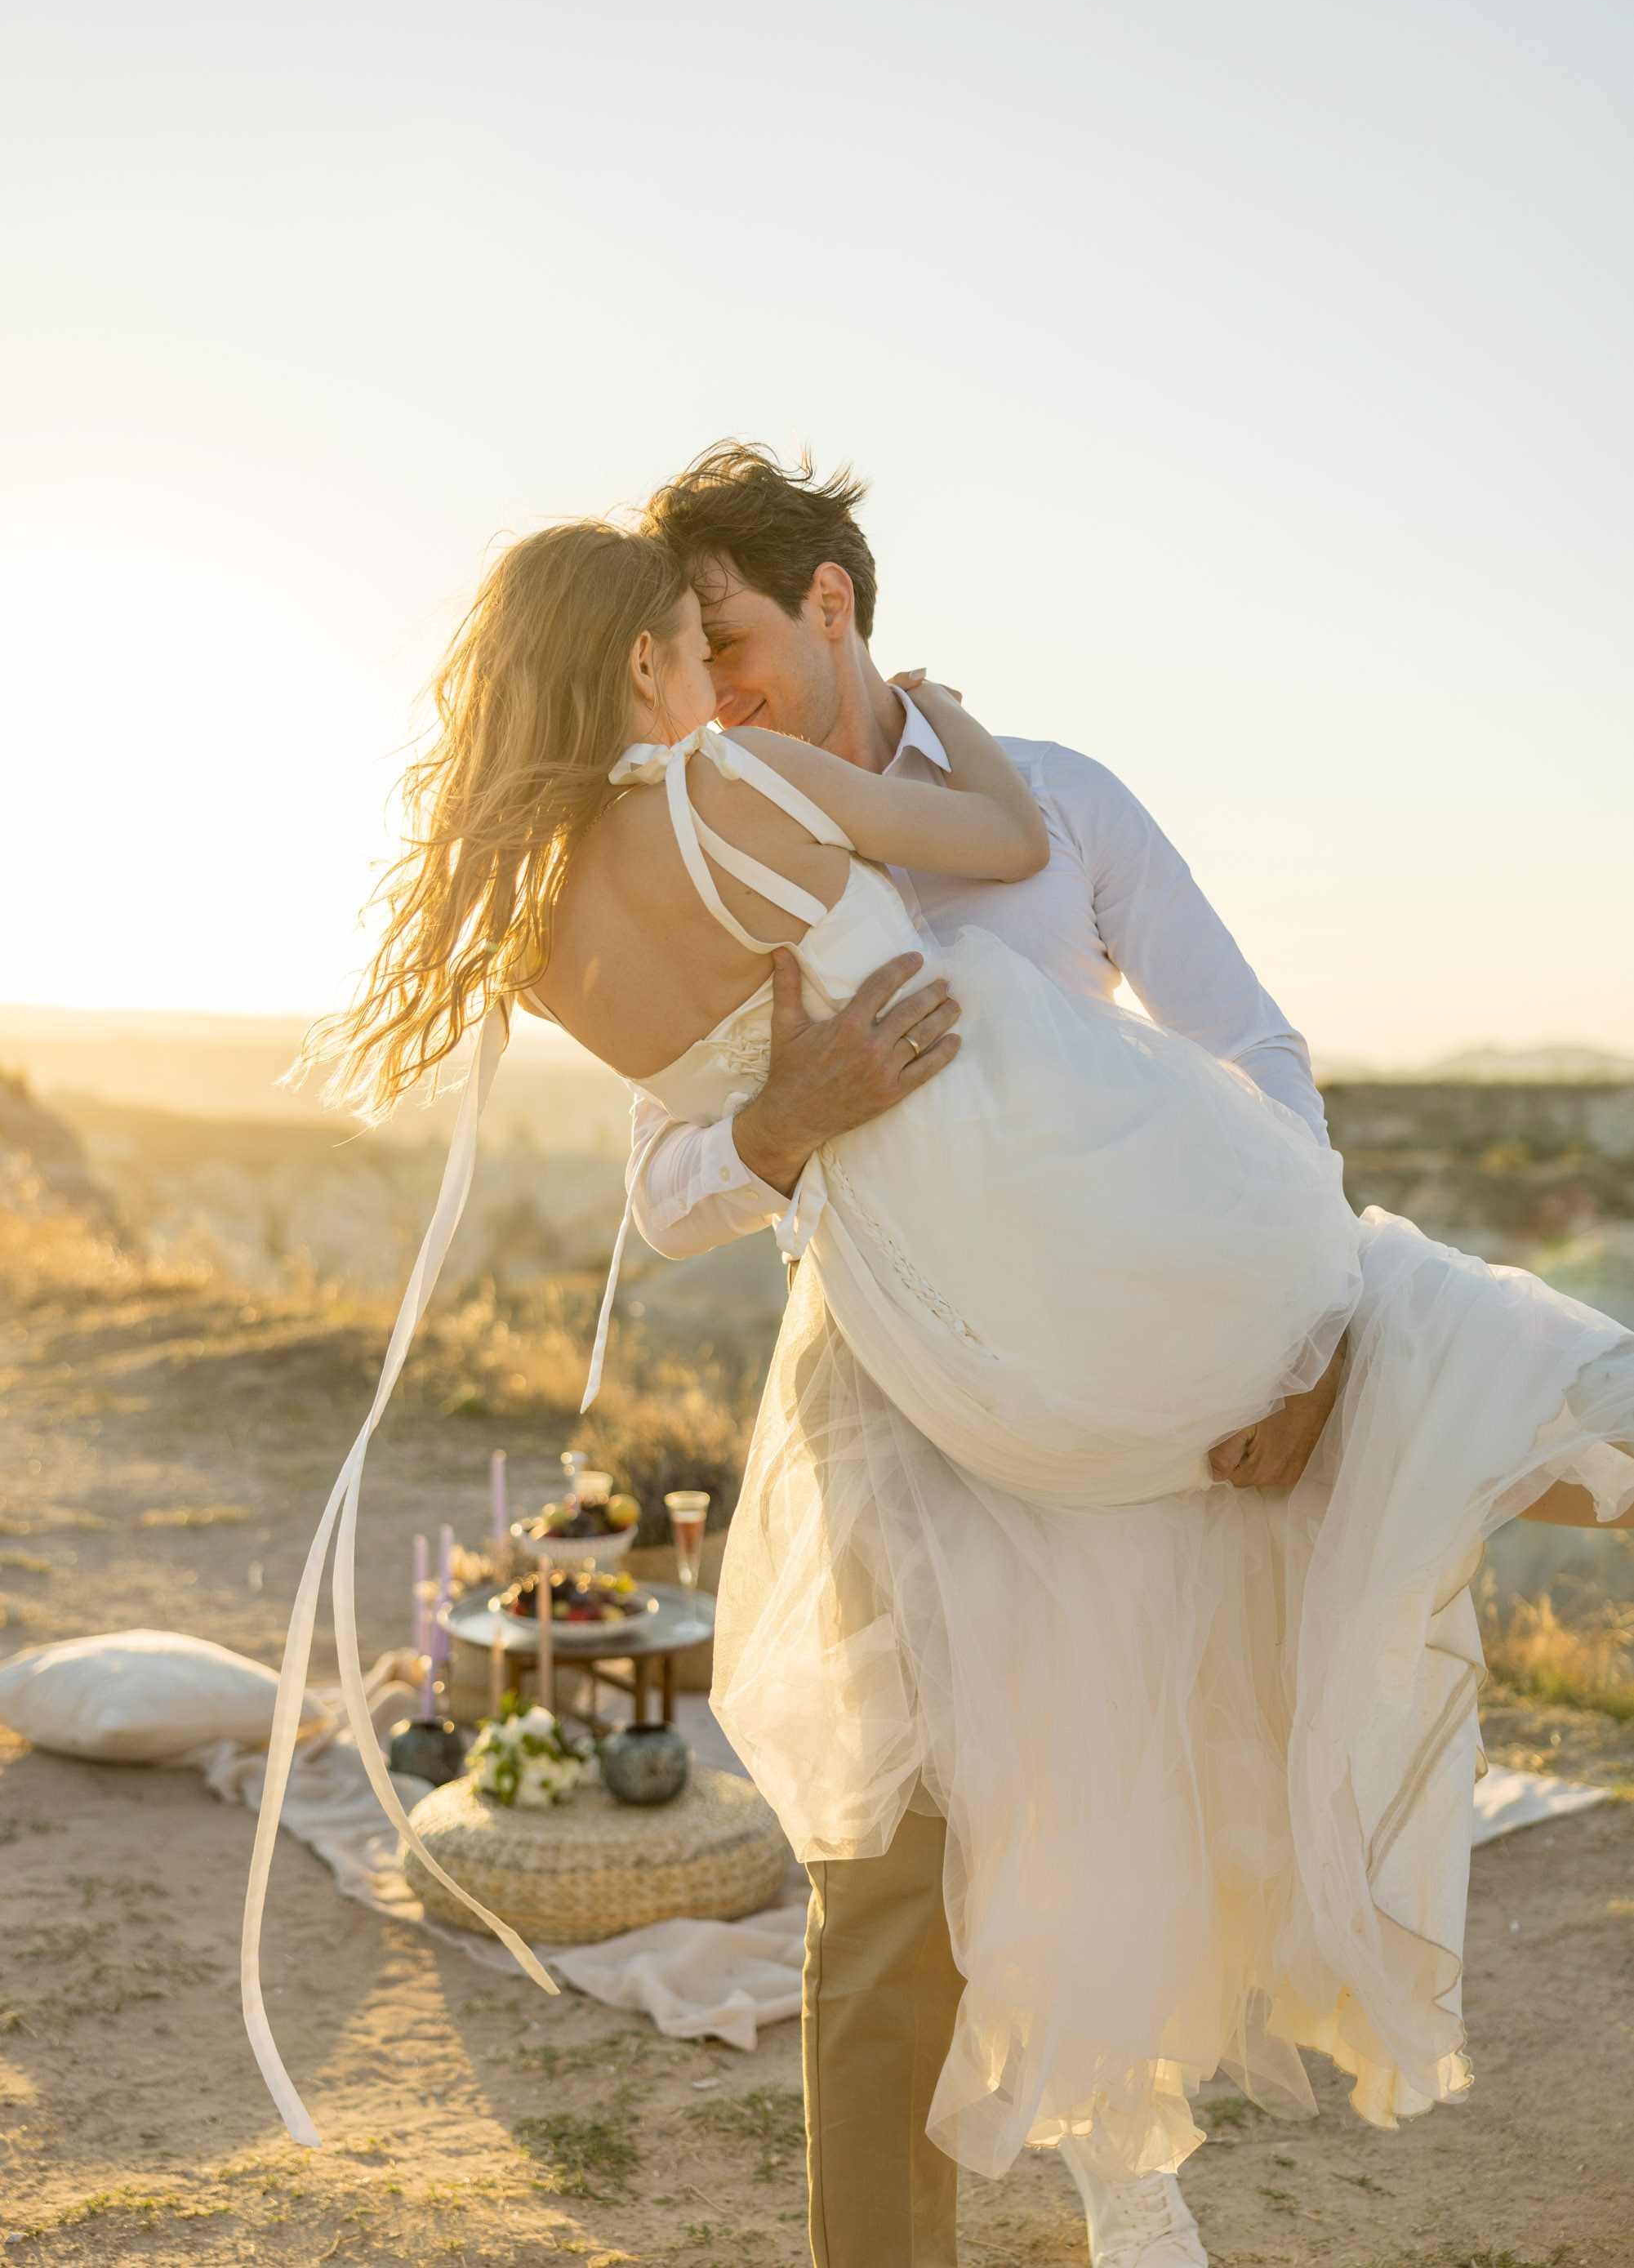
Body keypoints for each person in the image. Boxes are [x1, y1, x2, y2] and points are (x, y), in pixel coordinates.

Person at [243, 484, 1634, 2268]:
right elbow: (664, 1190)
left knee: (1148, 1788)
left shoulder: (1058, 802)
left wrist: (1289, 1339)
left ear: (829, 607)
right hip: (894, 1389)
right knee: (887, 1887)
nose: (709, 682)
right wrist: (778, 1122)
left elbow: (1257, 1054)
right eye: (683, 649)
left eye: (724, 636)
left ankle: (1120, 2159)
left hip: (1133, 1338)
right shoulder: (698, 822)